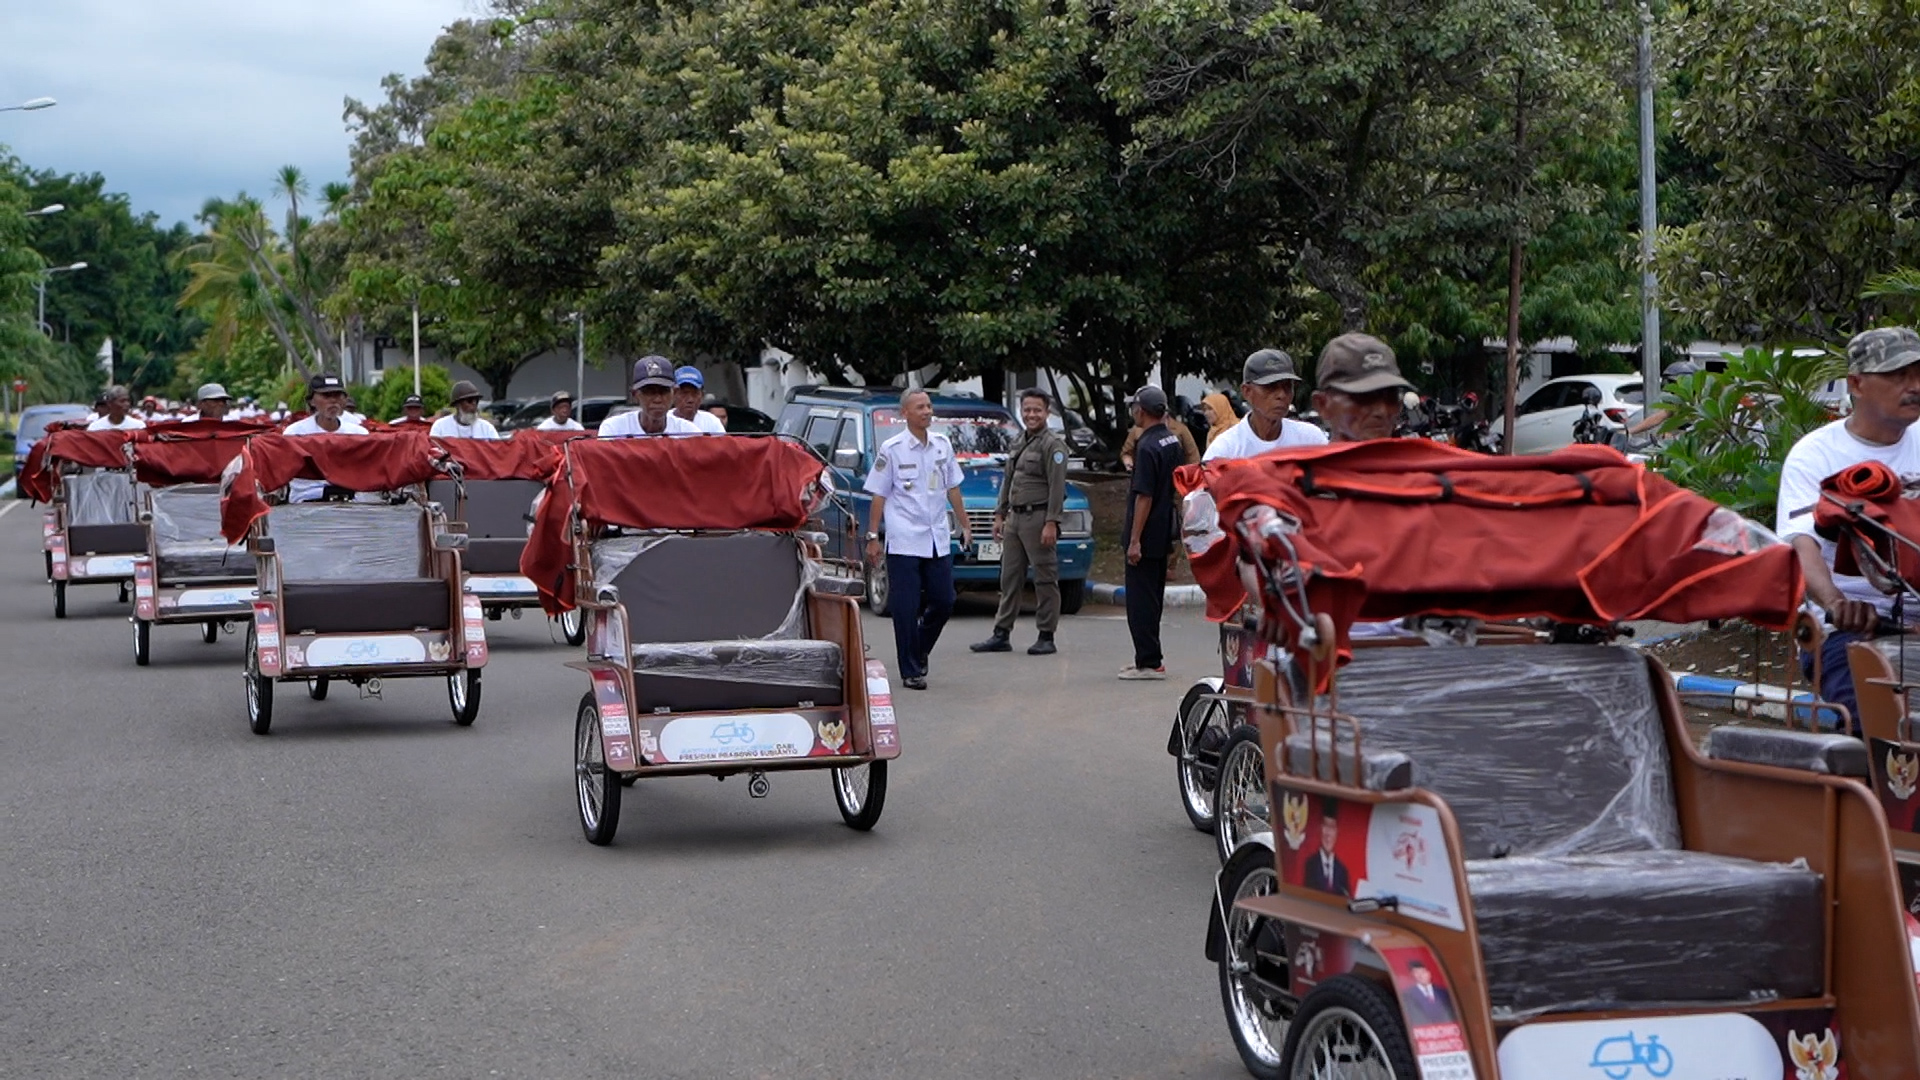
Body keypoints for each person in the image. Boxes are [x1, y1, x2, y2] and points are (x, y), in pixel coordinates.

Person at [1778, 327, 1920, 723]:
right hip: (1849, 631)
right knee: (1881, 726)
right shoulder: (1815, 455)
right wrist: (1837, 605)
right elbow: (1801, 546)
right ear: (1856, 383)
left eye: (1919, 374)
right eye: (1898, 375)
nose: (1914, 386)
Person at [864, 388, 970, 690]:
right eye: (919, 407)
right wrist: (873, 536)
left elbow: (953, 487)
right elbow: (879, 494)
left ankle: (919, 647)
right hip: (904, 538)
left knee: (944, 600)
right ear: (905, 414)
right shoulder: (893, 448)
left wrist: (965, 524)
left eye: (929, 405)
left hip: (936, 535)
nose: (926, 411)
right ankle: (910, 669)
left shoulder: (942, 444)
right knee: (906, 606)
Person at [971, 389, 1069, 656]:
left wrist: (1052, 522)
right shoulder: (1018, 441)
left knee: (1045, 578)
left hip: (1038, 518)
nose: (1031, 415)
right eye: (1027, 410)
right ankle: (1001, 633)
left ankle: (1046, 635)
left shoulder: (1053, 445)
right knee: (1009, 577)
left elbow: (1058, 487)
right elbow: (1009, 480)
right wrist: (999, 514)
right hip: (1015, 518)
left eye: (1037, 410)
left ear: (1047, 412)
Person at [1119, 386, 1182, 680]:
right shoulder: (1172, 440)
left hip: (1145, 534)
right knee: (1153, 597)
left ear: (1140, 411)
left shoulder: (1146, 445)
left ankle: (1149, 661)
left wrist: (1134, 540)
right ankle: (1149, 656)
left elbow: (1143, 496)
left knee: (1140, 600)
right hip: (1163, 528)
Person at [1204, 349, 1330, 460]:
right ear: (1247, 392)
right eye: (1270, 387)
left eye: (1287, 386)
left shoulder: (1310, 439)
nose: (1281, 394)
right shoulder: (1226, 449)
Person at [1311, 333, 1414, 444]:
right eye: (1364, 396)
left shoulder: (1423, 459)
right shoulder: (1301, 461)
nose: (1382, 411)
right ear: (1322, 404)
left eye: (1391, 397)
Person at [282, 374, 371, 502]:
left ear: (345, 400)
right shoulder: (295, 434)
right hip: (307, 499)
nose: (333, 401)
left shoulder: (359, 434)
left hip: (352, 503)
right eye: (326, 396)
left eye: (337, 395)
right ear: (312, 401)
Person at [599, 356, 701, 438]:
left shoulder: (689, 433)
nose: (657, 399)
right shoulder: (613, 429)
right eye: (649, 392)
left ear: (674, 393)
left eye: (664, 391)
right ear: (635, 395)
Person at [1120, 407, 1199, 471]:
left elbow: (1193, 456)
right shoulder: (1137, 429)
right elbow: (1127, 452)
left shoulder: (1181, 429)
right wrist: (1128, 462)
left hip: (1175, 477)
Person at [1302, 803, 1350, 895]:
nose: (1328, 834)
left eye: (1332, 827)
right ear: (1320, 828)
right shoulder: (1310, 865)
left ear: (1336, 832)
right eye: (1325, 826)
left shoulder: (1342, 870)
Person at [431, 380, 502, 439]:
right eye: (469, 400)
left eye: (476, 401)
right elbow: (434, 452)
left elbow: (496, 452)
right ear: (457, 404)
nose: (474, 404)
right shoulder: (440, 426)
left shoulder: (487, 428)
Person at [671, 366, 727, 434]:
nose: (690, 399)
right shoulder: (662, 422)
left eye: (695, 394)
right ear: (673, 394)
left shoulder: (711, 422)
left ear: (702, 395)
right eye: (684, 393)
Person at [1401, 962, 1455, 1026]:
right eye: (1417, 973)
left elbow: (1449, 1013)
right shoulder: (1408, 994)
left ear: (1429, 973)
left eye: (1423, 972)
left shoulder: (1443, 992)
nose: (1421, 976)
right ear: (1412, 975)